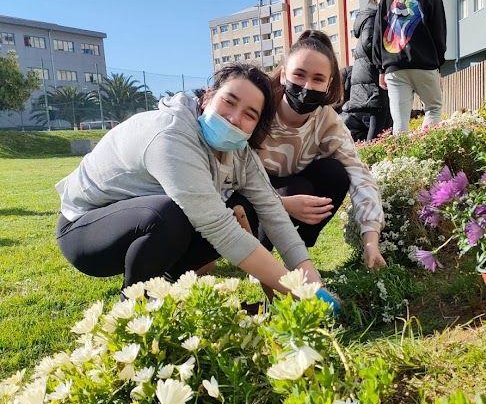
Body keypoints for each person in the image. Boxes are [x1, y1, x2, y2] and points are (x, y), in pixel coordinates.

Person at [54, 63, 325, 295]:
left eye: (249, 114)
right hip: (86, 229)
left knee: (246, 206)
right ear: (207, 97)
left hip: (147, 223)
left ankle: (170, 281)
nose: (234, 118)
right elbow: (221, 230)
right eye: (229, 101)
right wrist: (297, 291)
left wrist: (311, 280)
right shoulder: (170, 135)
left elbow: (272, 210)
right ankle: (137, 303)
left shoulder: (240, 152)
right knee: (166, 215)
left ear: (256, 126)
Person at [254, 30, 386, 270]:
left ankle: (300, 248)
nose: (307, 87)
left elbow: (359, 174)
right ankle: (260, 250)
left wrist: (370, 239)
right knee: (292, 189)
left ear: (328, 84)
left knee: (335, 172)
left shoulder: (327, 120)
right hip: (254, 189)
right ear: (283, 75)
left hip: (296, 183)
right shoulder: (258, 108)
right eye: (299, 75)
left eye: (318, 79)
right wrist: (280, 203)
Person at [372, 0, 447, 134]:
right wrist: (438, 62)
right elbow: (439, 33)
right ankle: (428, 149)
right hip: (425, 63)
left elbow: (378, 32)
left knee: (400, 121)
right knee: (433, 108)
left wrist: (380, 68)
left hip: (394, 65)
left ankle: (401, 152)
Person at [341, 0, 393, 142]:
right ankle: (372, 155)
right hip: (372, 78)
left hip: (368, 78)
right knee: (379, 124)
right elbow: (369, 42)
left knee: (382, 123)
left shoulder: (374, 16)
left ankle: (372, 153)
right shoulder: (373, 16)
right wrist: (384, 63)